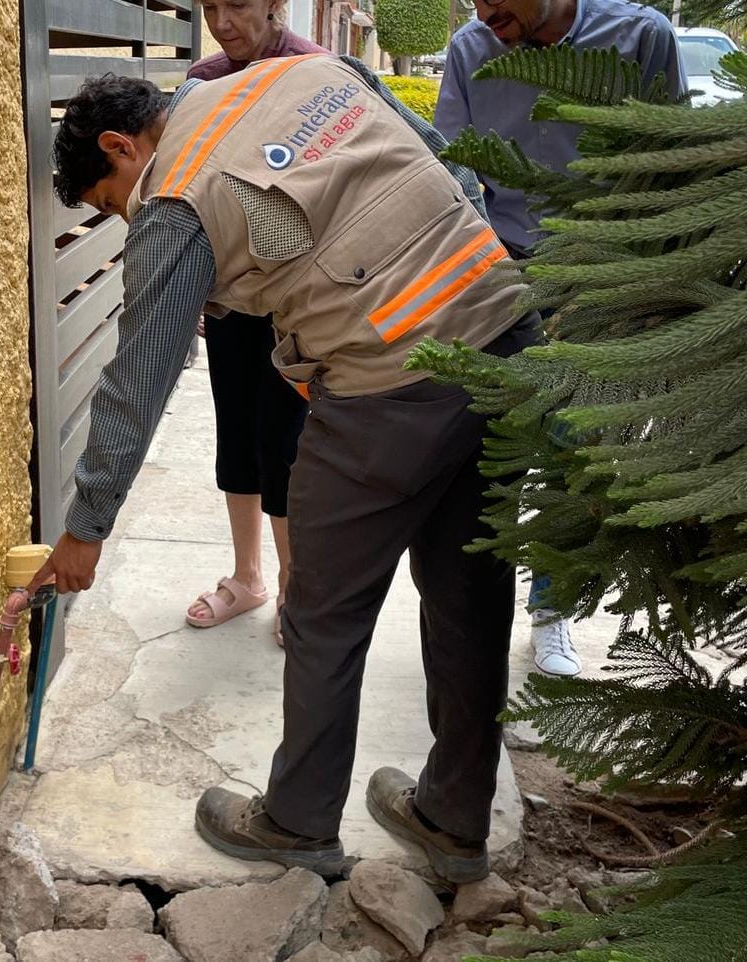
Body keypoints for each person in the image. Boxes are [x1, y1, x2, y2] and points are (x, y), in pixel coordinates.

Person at [35, 52, 542, 882]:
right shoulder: (300, 76)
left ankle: (300, 820)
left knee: (323, 613)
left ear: (123, 147)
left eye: (108, 204)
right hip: (500, 331)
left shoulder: (172, 197)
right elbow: (440, 165)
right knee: (469, 596)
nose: (127, 219)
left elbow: (138, 380)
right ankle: (453, 819)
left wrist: (86, 530)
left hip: (390, 383)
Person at [435, 0, 687, 677]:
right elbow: (450, 169)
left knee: (575, 458)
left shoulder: (640, 37)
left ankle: (553, 614)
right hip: (500, 270)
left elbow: (671, 161)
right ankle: (473, 616)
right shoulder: (471, 48)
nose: (486, 11)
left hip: (598, 275)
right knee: (491, 447)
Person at [181, 1, 326, 644]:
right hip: (229, 295)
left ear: (276, 4)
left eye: (236, 3)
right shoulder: (202, 83)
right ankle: (248, 577)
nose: (222, 20)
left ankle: (295, 583)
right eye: (210, 5)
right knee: (234, 428)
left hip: (298, 302)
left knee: (288, 441)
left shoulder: (317, 74)